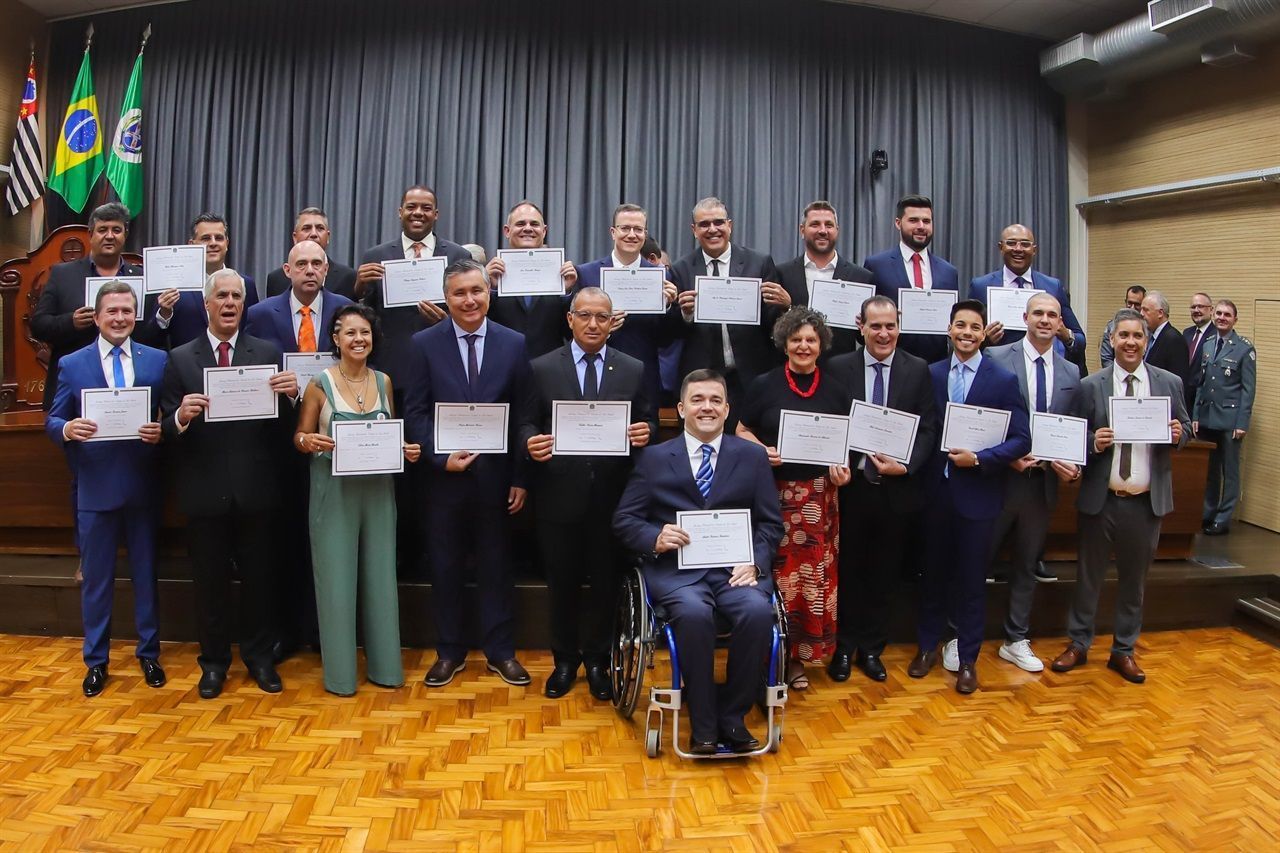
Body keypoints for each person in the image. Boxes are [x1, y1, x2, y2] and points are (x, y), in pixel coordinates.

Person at [613, 369, 784, 754]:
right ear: (681, 408)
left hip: (736, 571)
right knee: (693, 614)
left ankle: (733, 717)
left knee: (757, 612)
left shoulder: (752, 457)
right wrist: (656, 537)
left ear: (727, 409)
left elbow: (771, 524)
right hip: (678, 573)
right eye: (697, 400)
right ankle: (704, 723)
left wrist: (756, 563)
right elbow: (625, 519)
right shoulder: (654, 458)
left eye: (715, 400)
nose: (707, 407)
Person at [159, 269, 296, 698]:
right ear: (207, 304)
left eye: (237, 296)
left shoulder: (267, 352)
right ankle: (214, 664)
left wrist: (291, 397)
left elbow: (282, 430)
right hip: (204, 490)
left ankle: (259, 659)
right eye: (222, 296)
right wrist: (180, 416)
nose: (230, 303)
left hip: (257, 488)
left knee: (260, 582)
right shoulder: (180, 358)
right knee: (210, 586)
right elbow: (165, 428)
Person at [520, 287, 655, 699]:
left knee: (605, 583)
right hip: (558, 495)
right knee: (561, 583)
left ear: (613, 323)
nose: (593, 324)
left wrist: (645, 432)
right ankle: (564, 661)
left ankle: (598, 660)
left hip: (613, 499)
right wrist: (530, 441)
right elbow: (525, 422)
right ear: (570, 319)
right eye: (585, 315)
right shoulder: (542, 367)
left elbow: (648, 419)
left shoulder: (633, 368)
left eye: (602, 317)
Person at [404, 259, 532, 688]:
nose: (469, 300)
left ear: (488, 293)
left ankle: (501, 652)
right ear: (446, 298)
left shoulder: (514, 343)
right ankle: (449, 652)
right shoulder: (423, 344)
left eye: (476, 290)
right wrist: (440, 458)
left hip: (498, 480)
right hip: (443, 480)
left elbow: (524, 415)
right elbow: (415, 413)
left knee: (497, 567)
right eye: (459, 293)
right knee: (445, 568)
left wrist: (520, 477)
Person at [1052, 309, 1190, 684]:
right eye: (1123, 336)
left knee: (1134, 582)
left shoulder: (1169, 382)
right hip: (1102, 498)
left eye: (1137, 336)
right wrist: (1092, 442)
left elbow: (1186, 428)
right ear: (1112, 340)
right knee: (1088, 577)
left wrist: (1179, 434)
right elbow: (1072, 435)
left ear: (1146, 341)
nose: (1130, 342)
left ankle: (1123, 650)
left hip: (1145, 502)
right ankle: (1078, 644)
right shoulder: (1090, 385)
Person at [44, 281, 166, 697]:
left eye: (127, 311)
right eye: (111, 311)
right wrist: (67, 428)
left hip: (143, 484)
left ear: (136, 316)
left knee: (146, 576)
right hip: (94, 487)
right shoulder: (72, 364)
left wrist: (161, 430)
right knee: (96, 581)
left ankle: (149, 654)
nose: (119, 318)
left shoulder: (158, 360)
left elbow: (168, 414)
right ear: (96, 317)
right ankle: (96, 661)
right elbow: (52, 419)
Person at [294, 304, 420, 695]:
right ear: (336, 338)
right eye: (350, 333)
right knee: (336, 582)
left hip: (379, 491)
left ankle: (386, 669)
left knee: (381, 579)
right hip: (334, 493)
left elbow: (389, 433)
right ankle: (341, 677)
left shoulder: (383, 381)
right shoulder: (319, 384)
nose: (358, 339)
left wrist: (405, 449)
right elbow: (300, 436)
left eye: (364, 332)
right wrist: (308, 441)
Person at [909, 300, 1030, 695]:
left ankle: (968, 660)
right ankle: (926, 647)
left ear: (983, 334)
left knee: (972, 581)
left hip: (978, 495)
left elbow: (1021, 439)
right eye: (960, 325)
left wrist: (980, 459)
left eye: (975, 327)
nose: (967, 333)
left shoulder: (1003, 379)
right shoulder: (930, 373)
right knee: (932, 574)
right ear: (949, 330)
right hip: (935, 493)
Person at [245, 239, 353, 661]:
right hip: (278, 443)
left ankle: (325, 629)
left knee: (328, 539)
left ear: (326, 269)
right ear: (287, 271)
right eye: (301, 263)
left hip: (333, 441)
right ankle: (286, 631)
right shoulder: (259, 314)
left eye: (317, 263)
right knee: (286, 541)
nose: (310, 270)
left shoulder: (346, 309)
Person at [736, 307, 852, 689]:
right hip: (774, 496)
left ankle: (799, 659)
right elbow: (740, 430)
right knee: (779, 578)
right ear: (784, 344)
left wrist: (843, 468)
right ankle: (771, 655)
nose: (803, 345)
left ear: (821, 345)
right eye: (796, 339)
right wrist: (760, 450)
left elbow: (844, 445)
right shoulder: (763, 384)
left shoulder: (837, 389)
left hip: (820, 498)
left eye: (811, 340)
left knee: (812, 582)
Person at [825, 295, 937, 683]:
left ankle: (872, 649)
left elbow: (927, 429)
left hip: (896, 490)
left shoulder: (917, 369)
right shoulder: (838, 367)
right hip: (851, 488)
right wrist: (837, 462)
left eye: (890, 326)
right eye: (876, 326)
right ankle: (843, 647)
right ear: (861, 327)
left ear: (899, 327)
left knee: (885, 575)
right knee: (848, 571)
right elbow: (831, 422)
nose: (884, 333)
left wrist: (906, 466)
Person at [982, 294, 1082, 672]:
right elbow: (981, 417)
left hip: (1041, 484)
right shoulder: (995, 357)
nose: (1044, 320)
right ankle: (959, 634)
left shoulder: (1071, 371)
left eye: (1052, 315)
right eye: (1038, 313)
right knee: (978, 558)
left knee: (1026, 564)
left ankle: (1016, 639)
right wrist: (1004, 456)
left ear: (1060, 323)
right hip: (1000, 479)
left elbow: (1072, 427)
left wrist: (1071, 464)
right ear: (1024, 317)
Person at [671, 197, 784, 425]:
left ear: (729, 225)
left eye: (718, 222)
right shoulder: (680, 269)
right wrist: (685, 314)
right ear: (694, 230)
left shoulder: (759, 263)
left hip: (751, 375)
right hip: (702, 379)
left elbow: (773, 323)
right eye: (704, 224)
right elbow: (667, 333)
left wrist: (784, 306)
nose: (712, 229)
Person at [356, 185, 472, 395]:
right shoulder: (375, 256)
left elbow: (471, 312)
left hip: (444, 365)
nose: (418, 212)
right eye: (411, 207)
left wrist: (447, 322)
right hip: (392, 368)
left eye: (426, 208)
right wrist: (359, 288)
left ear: (436, 214)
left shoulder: (459, 255)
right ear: (400, 212)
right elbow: (366, 316)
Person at [32, 202, 142, 410]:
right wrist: (70, 322)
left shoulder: (140, 277)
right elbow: (38, 326)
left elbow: (149, 334)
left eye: (116, 230)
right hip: (73, 387)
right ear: (91, 234)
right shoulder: (62, 274)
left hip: (127, 385)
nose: (109, 236)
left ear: (125, 235)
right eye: (102, 230)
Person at [574, 203, 679, 406]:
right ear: (613, 232)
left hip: (645, 378)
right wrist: (603, 328)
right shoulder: (586, 274)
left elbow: (667, 340)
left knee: (644, 427)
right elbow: (571, 329)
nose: (632, 234)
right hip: (595, 375)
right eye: (625, 228)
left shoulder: (662, 277)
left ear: (645, 234)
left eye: (638, 229)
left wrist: (669, 307)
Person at [862, 194, 960, 364]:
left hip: (935, 365)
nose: (921, 226)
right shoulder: (876, 265)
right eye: (913, 220)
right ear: (898, 223)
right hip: (890, 364)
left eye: (926, 221)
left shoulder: (948, 272)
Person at [145, 213, 260, 350]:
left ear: (227, 243)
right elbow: (151, 340)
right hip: (188, 362)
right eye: (206, 238)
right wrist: (164, 314)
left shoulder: (245, 284)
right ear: (191, 244)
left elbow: (254, 331)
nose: (213, 243)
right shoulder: (173, 287)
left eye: (219, 238)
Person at [968, 224, 1085, 357]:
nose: (1018, 249)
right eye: (1011, 243)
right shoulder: (980, 286)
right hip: (996, 365)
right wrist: (984, 339)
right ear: (1001, 247)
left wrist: (1066, 335)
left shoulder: (1053, 286)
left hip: (1041, 364)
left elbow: (1080, 339)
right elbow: (966, 336)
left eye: (1025, 244)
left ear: (1034, 250)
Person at [775, 201, 873, 358]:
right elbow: (772, 329)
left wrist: (866, 324)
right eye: (815, 224)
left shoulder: (861, 277)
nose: (822, 231)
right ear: (802, 230)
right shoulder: (782, 273)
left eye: (829, 225)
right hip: (795, 365)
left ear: (837, 230)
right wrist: (788, 307)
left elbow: (864, 339)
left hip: (841, 368)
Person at [485, 200, 579, 360]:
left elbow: (572, 332)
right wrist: (488, 288)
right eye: (520, 223)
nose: (528, 228)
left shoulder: (564, 274)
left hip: (549, 367)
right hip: (502, 365)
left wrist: (567, 293)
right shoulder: (490, 274)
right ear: (507, 231)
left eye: (534, 224)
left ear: (544, 231)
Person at [1193, 299, 1255, 536]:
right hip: (1208, 417)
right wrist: (1196, 414)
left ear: (1235, 320)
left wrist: (1242, 422)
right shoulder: (1208, 344)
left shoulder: (1244, 349)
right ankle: (1208, 512)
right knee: (1210, 470)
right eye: (1218, 313)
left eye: (1227, 315)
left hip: (1230, 421)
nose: (1221, 318)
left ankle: (1223, 518)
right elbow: (1201, 383)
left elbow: (1248, 390)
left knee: (1230, 472)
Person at [264, 207, 359, 299]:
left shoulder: (348, 278)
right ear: (295, 237)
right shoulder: (276, 279)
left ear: (328, 237)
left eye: (320, 228)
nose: (314, 234)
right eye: (306, 228)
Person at [1140, 291, 1189, 385]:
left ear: (1160, 313)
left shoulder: (1174, 339)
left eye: (1146, 310)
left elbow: (1178, 381)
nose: (1141, 314)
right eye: (1141, 309)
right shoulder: (1151, 336)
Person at [1099, 285, 1146, 367]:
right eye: (1130, 303)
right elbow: (1106, 359)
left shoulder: (1147, 327)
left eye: (1137, 304)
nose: (1132, 308)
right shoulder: (1112, 326)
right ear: (1125, 302)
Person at [1183, 292, 1215, 413]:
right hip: (1185, 399)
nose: (1196, 310)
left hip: (1204, 402)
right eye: (1193, 307)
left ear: (1211, 310)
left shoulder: (1217, 335)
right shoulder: (1187, 333)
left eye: (1201, 306)